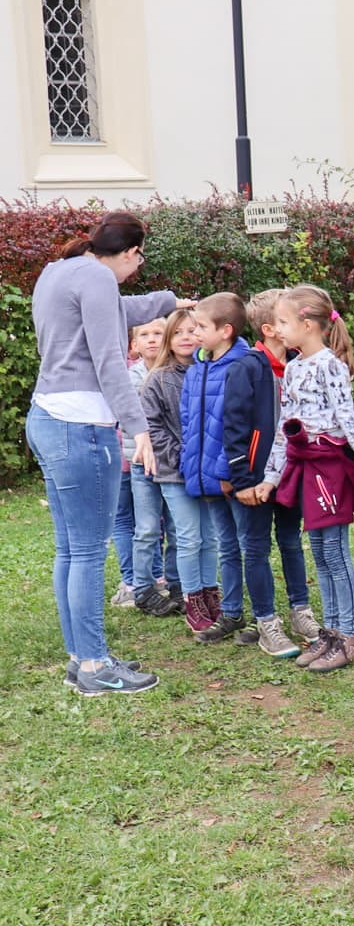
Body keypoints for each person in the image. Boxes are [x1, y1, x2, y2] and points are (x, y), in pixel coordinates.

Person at [28, 210, 180, 695]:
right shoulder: (96, 277)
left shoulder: (60, 269)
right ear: (131, 252)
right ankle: (95, 666)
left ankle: (81, 659)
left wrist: (171, 301)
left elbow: (114, 309)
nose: (138, 267)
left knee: (72, 550)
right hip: (82, 426)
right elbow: (109, 361)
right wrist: (138, 428)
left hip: (48, 416)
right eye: (140, 259)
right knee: (90, 553)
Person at [257, 285, 354, 672]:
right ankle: (331, 632)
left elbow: (348, 420)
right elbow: (285, 426)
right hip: (306, 467)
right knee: (321, 553)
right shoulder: (293, 368)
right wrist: (271, 476)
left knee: (336, 552)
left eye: (283, 322)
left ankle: (350, 637)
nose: (277, 329)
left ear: (307, 324)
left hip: (331, 467)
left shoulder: (331, 365)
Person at [183, 293, 300, 658]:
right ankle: (238, 614)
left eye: (200, 326)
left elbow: (235, 426)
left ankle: (279, 615)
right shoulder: (203, 368)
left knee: (259, 543)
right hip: (218, 475)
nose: (194, 333)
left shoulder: (249, 365)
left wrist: (231, 472)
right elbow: (196, 423)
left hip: (246, 474)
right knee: (232, 545)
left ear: (226, 330)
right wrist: (199, 468)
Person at [244, 289, 315, 646]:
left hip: (291, 474)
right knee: (256, 546)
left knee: (290, 541)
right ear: (270, 329)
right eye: (289, 319)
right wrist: (241, 476)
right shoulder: (247, 367)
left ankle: (301, 612)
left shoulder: (301, 363)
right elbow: (232, 426)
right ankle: (266, 622)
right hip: (255, 477)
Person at [143, 309, 220, 629]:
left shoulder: (211, 371)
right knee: (188, 537)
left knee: (210, 537)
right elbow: (152, 427)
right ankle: (193, 599)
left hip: (209, 471)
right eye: (178, 333)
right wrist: (181, 458)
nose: (186, 337)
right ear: (168, 340)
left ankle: (211, 594)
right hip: (175, 472)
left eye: (192, 330)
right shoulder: (158, 379)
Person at [124, 317, 181, 616]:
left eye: (158, 333)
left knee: (175, 527)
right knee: (146, 529)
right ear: (134, 345)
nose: (151, 339)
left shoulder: (177, 373)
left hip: (171, 462)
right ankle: (143, 589)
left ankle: (176, 583)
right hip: (142, 463)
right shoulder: (130, 377)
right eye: (144, 334)